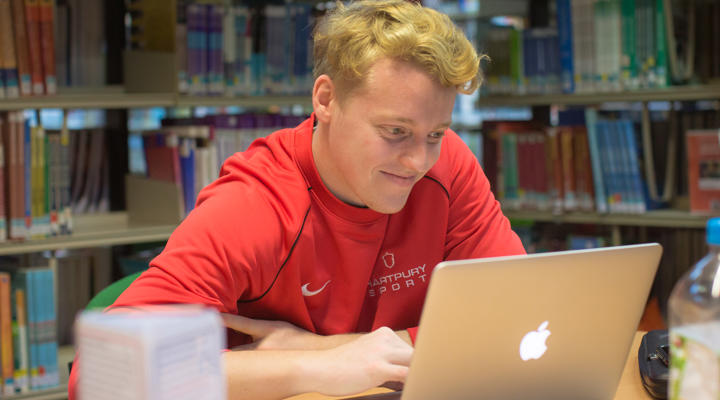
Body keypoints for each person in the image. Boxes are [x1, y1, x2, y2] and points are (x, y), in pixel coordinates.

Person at [68, 1, 525, 399]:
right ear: (326, 100)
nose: (416, 160)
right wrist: (314, 367)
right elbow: (102, 374)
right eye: (395, 132)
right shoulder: (254, 204)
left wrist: (325, 345)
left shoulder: (449, 166)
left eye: (435, 135)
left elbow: (519, 317)